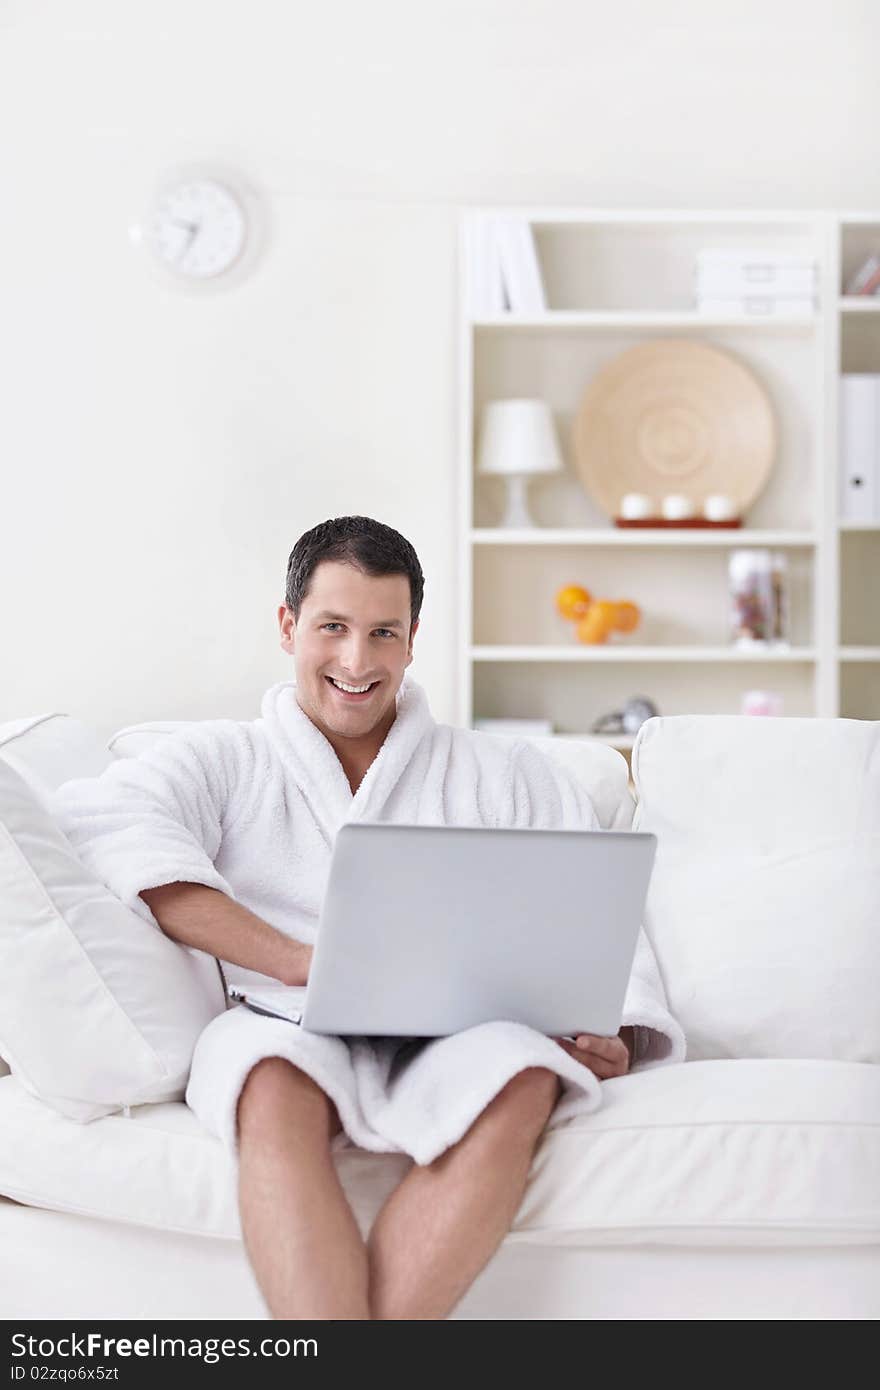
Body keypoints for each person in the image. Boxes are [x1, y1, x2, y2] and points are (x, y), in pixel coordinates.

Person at [51, 515, 684, 1320]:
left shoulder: (506, 771)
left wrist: (615, 1030)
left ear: (414, 639)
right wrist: (292, 957)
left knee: (527, 1077)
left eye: (383, 632)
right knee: (270, 1082)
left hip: (467, 1027)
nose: (357, 661)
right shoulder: (222, 760)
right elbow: (108, 829)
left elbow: (599, 914)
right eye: (333, 628)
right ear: (288, 626)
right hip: (284, 1017)